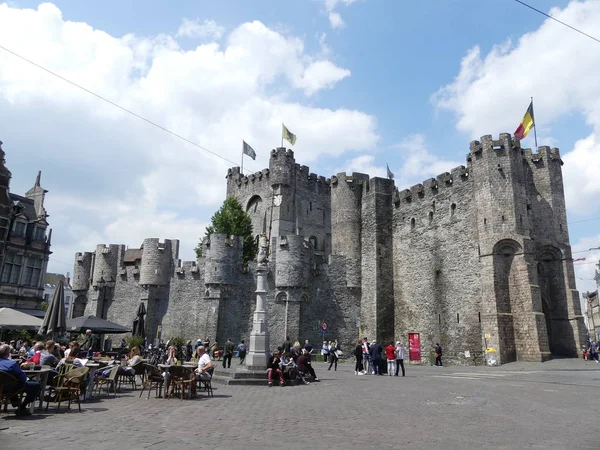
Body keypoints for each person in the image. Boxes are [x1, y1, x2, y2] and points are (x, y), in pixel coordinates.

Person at [0, 344, 41, 416]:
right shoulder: (11, 363)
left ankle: (16, 403)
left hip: (4, 387)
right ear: (8, 354)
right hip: (10, 387)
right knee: (35, 385)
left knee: (13, 383)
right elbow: (23, 378)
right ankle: (22, 406)